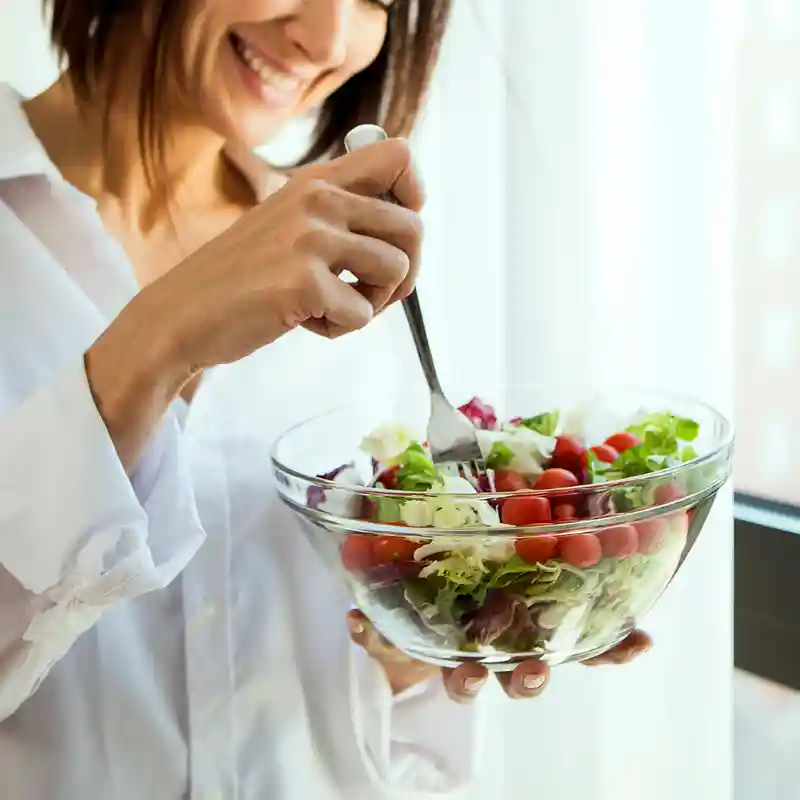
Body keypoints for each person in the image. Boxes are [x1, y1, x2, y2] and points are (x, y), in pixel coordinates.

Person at [0, 1, 652, 798]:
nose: (332, 38)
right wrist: (157, 338)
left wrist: (424, 641)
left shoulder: (347, 262)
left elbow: (398, 752)